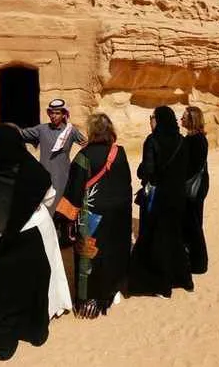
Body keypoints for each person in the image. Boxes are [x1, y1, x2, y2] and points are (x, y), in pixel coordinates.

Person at [0, 124, 72, 361]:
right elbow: (49, 196)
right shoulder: (32, 168)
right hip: (31, 231)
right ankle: (35, 332)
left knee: (3, 289)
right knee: (35, 281)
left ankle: (5, 344)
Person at [56, 113, 132, 319]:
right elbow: (126, 183)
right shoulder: (119, 152)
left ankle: (90, 299)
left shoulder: (84, 156)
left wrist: (63, 219)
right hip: (117, 213)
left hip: (92, 216)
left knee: (90, 254)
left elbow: (74, 189)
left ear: (92, 131)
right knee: (113, 250)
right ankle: (112, 290)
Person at [127, 106, 193, 298]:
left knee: (154, 239)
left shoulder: (153, 140)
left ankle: (160, 285)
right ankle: (183, 279)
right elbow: (186, 169)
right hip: (177, 197)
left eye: (152, 117)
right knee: (175, 237)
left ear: (159, 120)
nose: (150, 120)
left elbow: (147, 170)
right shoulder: (182, 141)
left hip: (158, 198)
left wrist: (141, 171)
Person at [16, 98, 87, 212]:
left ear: (64, 114)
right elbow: (20, 134)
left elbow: (87, 146)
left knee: (60, 211)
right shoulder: (41, 129)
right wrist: (6, 128)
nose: (53, 116)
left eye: (57, 113)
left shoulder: (71, 131)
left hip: (63, 179)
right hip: (44, 178)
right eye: (51, 113)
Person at [180, 106, 209, 275]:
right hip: (192, 186)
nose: (181, 119)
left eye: (184, 117)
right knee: (190, 223)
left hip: (194, 188)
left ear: (192, 119)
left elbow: (194, 166)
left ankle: (200, 264)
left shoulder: (198, 140)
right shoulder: (190, 138)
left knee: (194, 225)